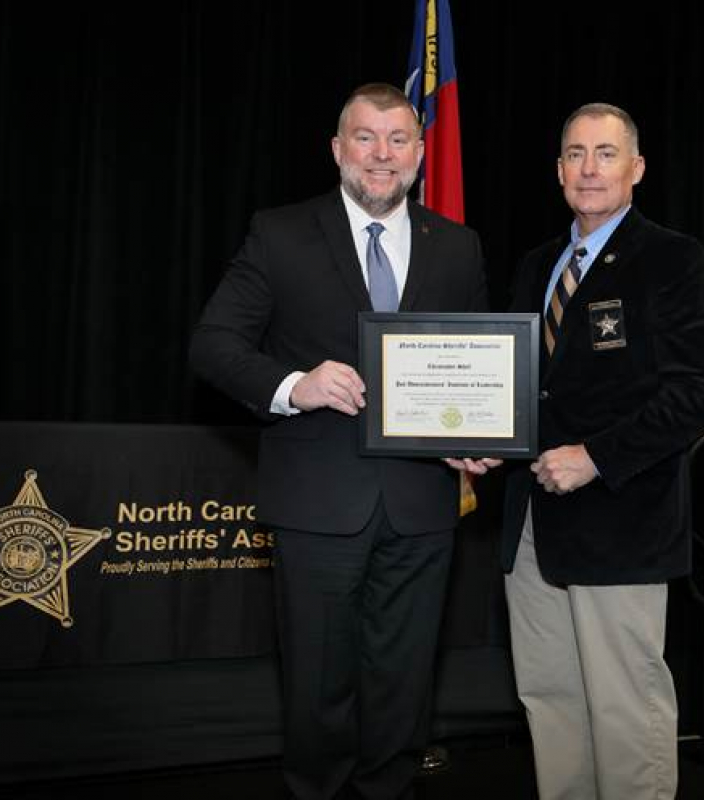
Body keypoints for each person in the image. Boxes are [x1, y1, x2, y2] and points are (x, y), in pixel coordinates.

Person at [189, 83, 490, 800]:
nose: (381, 155)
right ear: (337, 149)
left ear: (420, 153)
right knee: (319, 683)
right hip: (319, 503)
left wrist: (473, 437)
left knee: (404, 680)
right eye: (365, 138)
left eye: (397, 140)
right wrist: (298, 384)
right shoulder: (281, 232)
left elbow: (474, 361)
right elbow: (212, 344)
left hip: (422, 505)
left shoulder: (458, 246)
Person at [499, 103, 704, 799]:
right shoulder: (536, 264)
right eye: (574, 153)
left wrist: (596, 456)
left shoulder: (672, 258)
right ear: (558, 171)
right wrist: (482, 442)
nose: (588, 168)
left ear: (636, 169)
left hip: (621, 518)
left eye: (605, 153)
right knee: (551, 699)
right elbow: (522, 389)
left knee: (624, 705)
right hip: (530, 525)